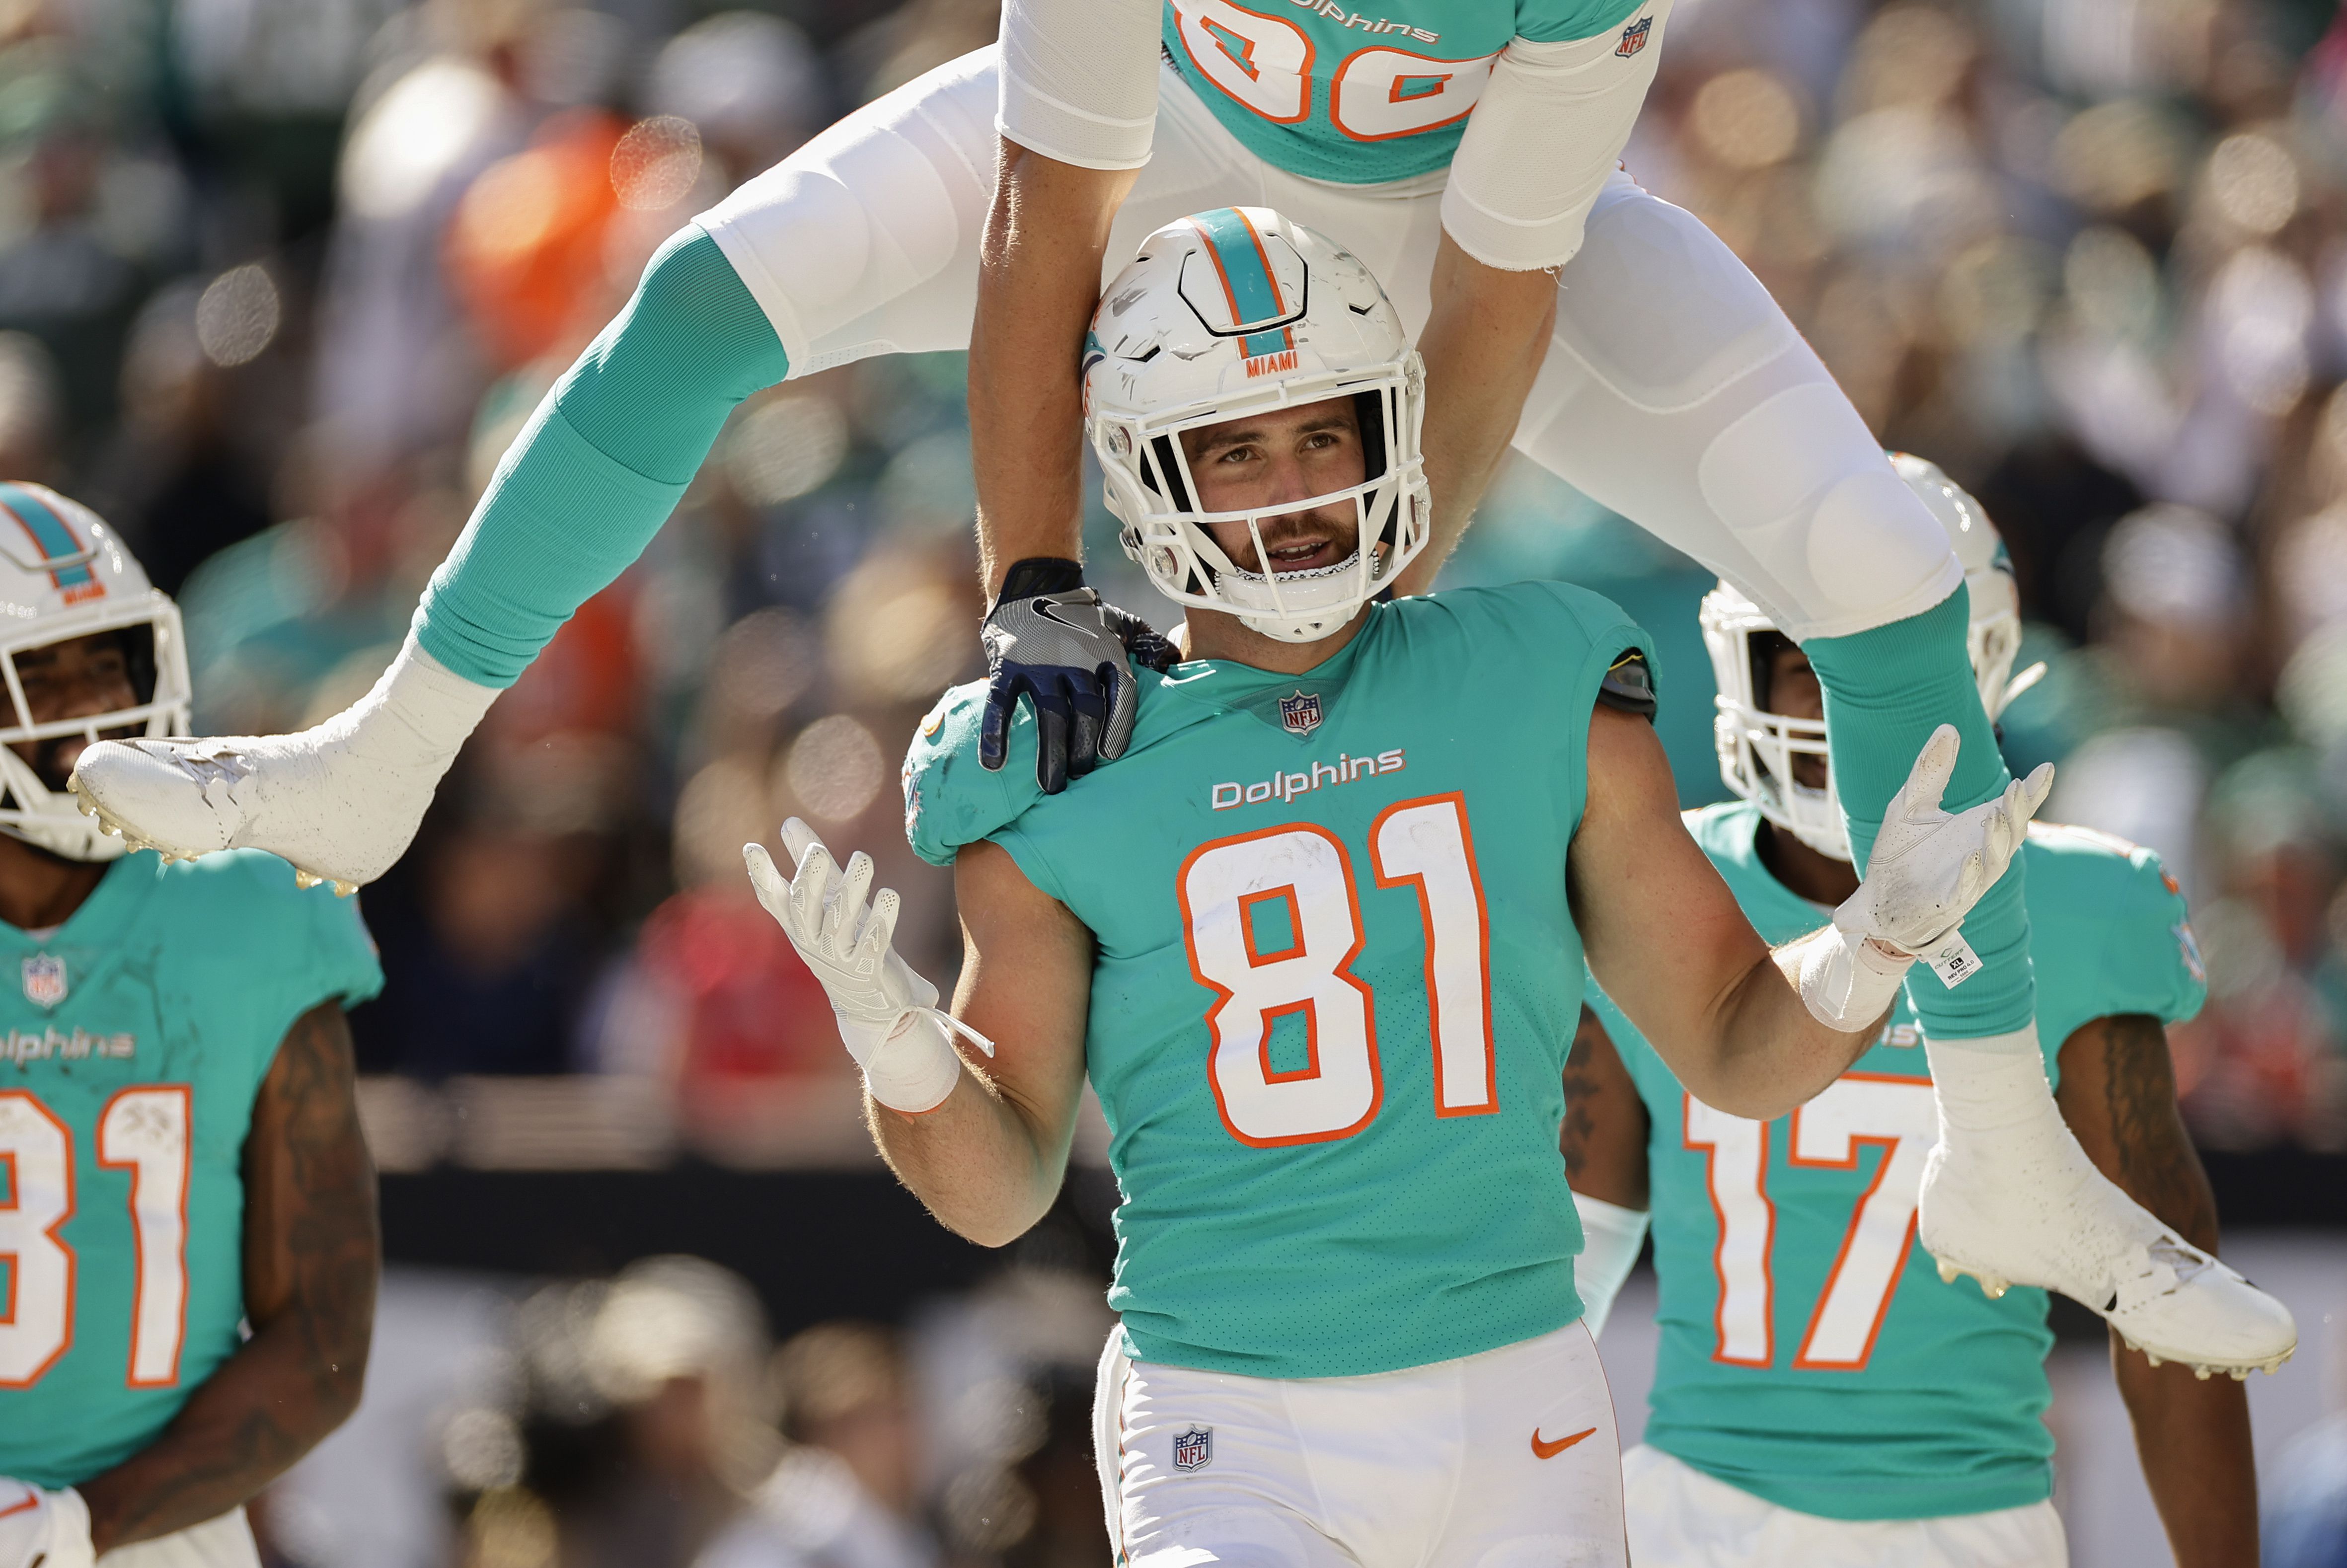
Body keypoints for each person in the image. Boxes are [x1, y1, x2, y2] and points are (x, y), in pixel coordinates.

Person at [70, 0, 2294, 1354]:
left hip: (1417, 277)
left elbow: (1493, 311)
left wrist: (1363, 602)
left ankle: (1991, 1143)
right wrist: (1037, 579)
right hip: (1139, 201)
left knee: (1882, 568)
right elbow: (1054, 216)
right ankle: (385, 758)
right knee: (694, 300)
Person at [743, 213, 2047, 1564]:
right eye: (1236, 449)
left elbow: (1732, 1042)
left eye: (1324, 433)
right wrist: (901, 1051)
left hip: (1518, 1396)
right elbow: (1000, 1185)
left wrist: (1869, 936)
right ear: (1145, 473)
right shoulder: (1059, 764)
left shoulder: (1539, 670)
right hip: (1228, 1409)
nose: (1296, 486)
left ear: (1386, 434)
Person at [1561, 458, 2258, 1566]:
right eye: (1799, 664)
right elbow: (1570, 1273)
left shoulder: (2079, 903)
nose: (1839, 706)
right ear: (1736, 666)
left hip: (1963, 1525)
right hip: (1698, 1515)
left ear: (1974, 669)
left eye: (1887, 674)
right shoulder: (1663, 884)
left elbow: (2160, 1302)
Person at [0, 485, 382, 1568]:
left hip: (160, 1541)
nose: (94, 705)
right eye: (44, 672)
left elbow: (322, 1338)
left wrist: (83, 1521)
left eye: (109, 661)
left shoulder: (252, 904)